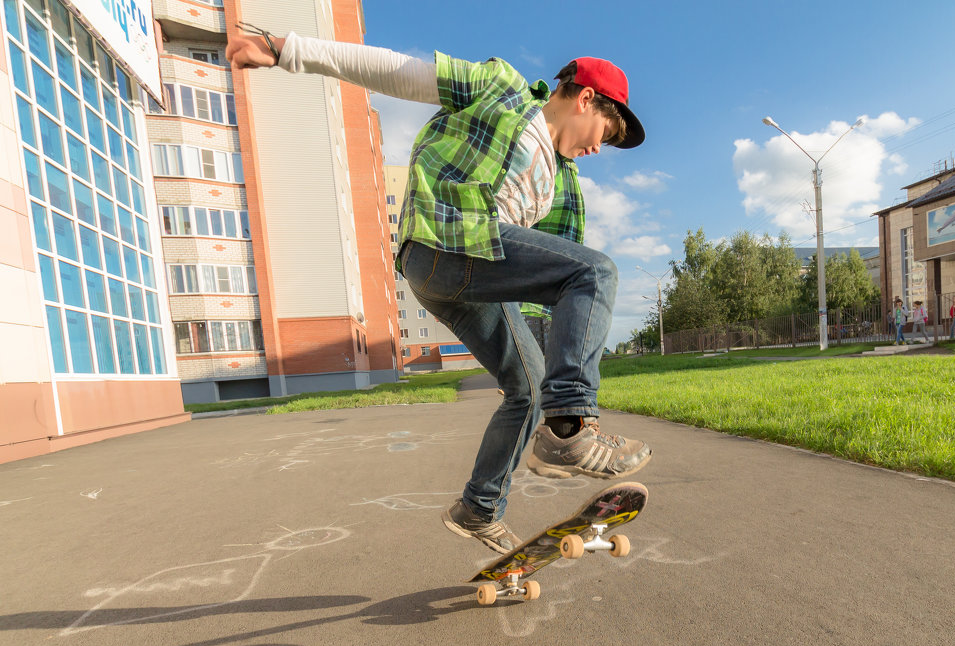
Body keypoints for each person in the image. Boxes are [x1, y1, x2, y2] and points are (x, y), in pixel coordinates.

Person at [226, 25, 652, 555]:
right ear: (586, 98)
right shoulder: (502, 90)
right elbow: (397, 72)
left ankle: (479, 507)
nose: (598, 148)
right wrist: (286, 51)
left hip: (474, 278)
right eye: (604, 133)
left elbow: (560, 292)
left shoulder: (562, 183)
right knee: (599, 272)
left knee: (528, 384)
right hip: (445, 244)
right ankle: (569, 430)